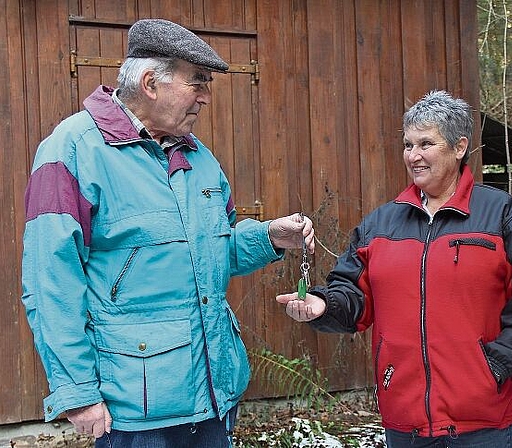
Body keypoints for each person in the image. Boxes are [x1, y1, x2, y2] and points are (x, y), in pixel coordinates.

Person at [21, 18, 314, 448]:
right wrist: (78, 392)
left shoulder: (200, 158)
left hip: (214, 395)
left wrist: (269, 237)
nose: (206, 98)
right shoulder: (71, 151)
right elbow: (51, 283)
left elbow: (214, 251)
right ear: (150, 83)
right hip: (136, 412)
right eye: (197, 82)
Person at [276, 90, 512, 447]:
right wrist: (323, 305)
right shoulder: (380, 224)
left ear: (459, 147)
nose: (414, 156)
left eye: (426, 144)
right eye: (408, 145)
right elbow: (351, 294)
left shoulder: (501, 215)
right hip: (404, 418)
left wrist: (493, 366)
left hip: (480, 423)